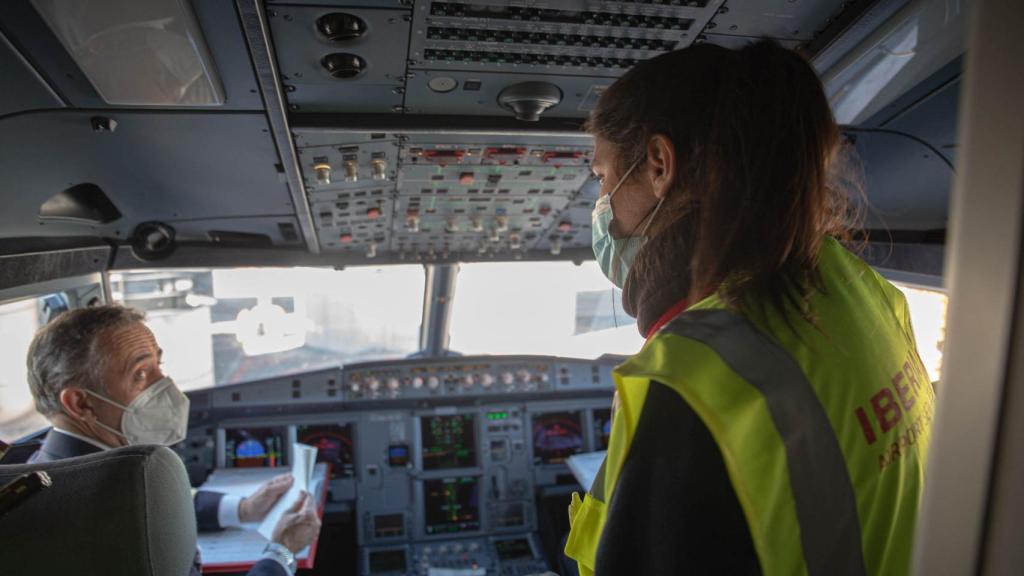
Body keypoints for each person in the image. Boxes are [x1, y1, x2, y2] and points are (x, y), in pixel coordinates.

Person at [565, 41, 936, 575]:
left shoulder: (686, 382)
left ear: (659, 164)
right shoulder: (861, 285)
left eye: (603, 178)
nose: (604, 209)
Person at [25, 305, 321, 576]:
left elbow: (157, 504)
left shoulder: (44, 469)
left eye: (159, 366)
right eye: (140, 373)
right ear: (80, 404)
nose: (167, 386)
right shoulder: (110, 510)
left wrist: (243, 509)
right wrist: (282, 551)